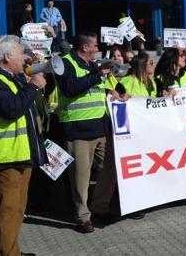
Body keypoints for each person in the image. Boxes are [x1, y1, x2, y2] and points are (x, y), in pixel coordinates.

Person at [55, 32, 117, 232]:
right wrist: (97, 75)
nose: (97, 48)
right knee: (81, 177)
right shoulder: (64, 63)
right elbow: (70, 89)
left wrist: (111, 91)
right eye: (95, 45)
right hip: (78, 129)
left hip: (100, 126)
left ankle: (100, 207)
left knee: (111, 167)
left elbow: (96, 90)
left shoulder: (92, 65)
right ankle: (83, 216)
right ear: (84, 47)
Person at [0, 35, 46, 256]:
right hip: (5, 158)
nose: (25, 58)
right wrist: (32, 87)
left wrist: (29, 78)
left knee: (17, 211)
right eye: (21, 54)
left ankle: (12, 250)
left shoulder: (11, 77)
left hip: (20, 154)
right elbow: (11, 109)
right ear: (6, 56)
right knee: (8, 211)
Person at [91, 52, 156, 220]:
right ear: (142, 65)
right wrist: (124, 98)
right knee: (120, 170)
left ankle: (137, 202)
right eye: (150, 62)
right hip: (126, 133)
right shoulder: (127, 81)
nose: (153, 64)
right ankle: (109, 205)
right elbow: (117, 102)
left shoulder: (151, 82)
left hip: (144, 132)